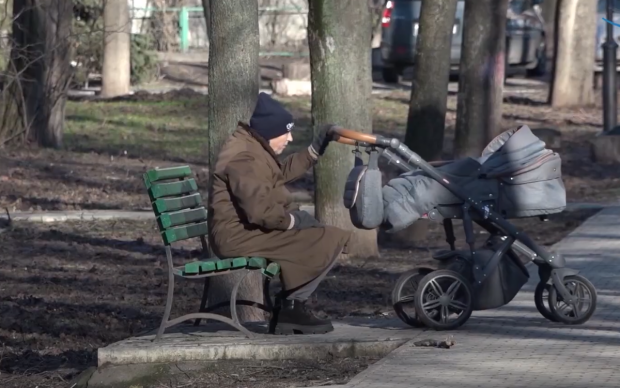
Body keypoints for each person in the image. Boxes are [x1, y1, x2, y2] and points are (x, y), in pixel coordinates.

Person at [209, 92, 352, 335]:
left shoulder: (253, 148)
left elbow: (277, 175)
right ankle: (292, 308)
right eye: (286, 132)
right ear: (270, 131)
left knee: (321, 233)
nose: (290, 138)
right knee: (333, 237)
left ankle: (293, 305)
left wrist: (314, 151)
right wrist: (291, 222)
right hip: (237, 237)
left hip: (241, 231)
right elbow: (259, 211)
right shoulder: (246, 157)